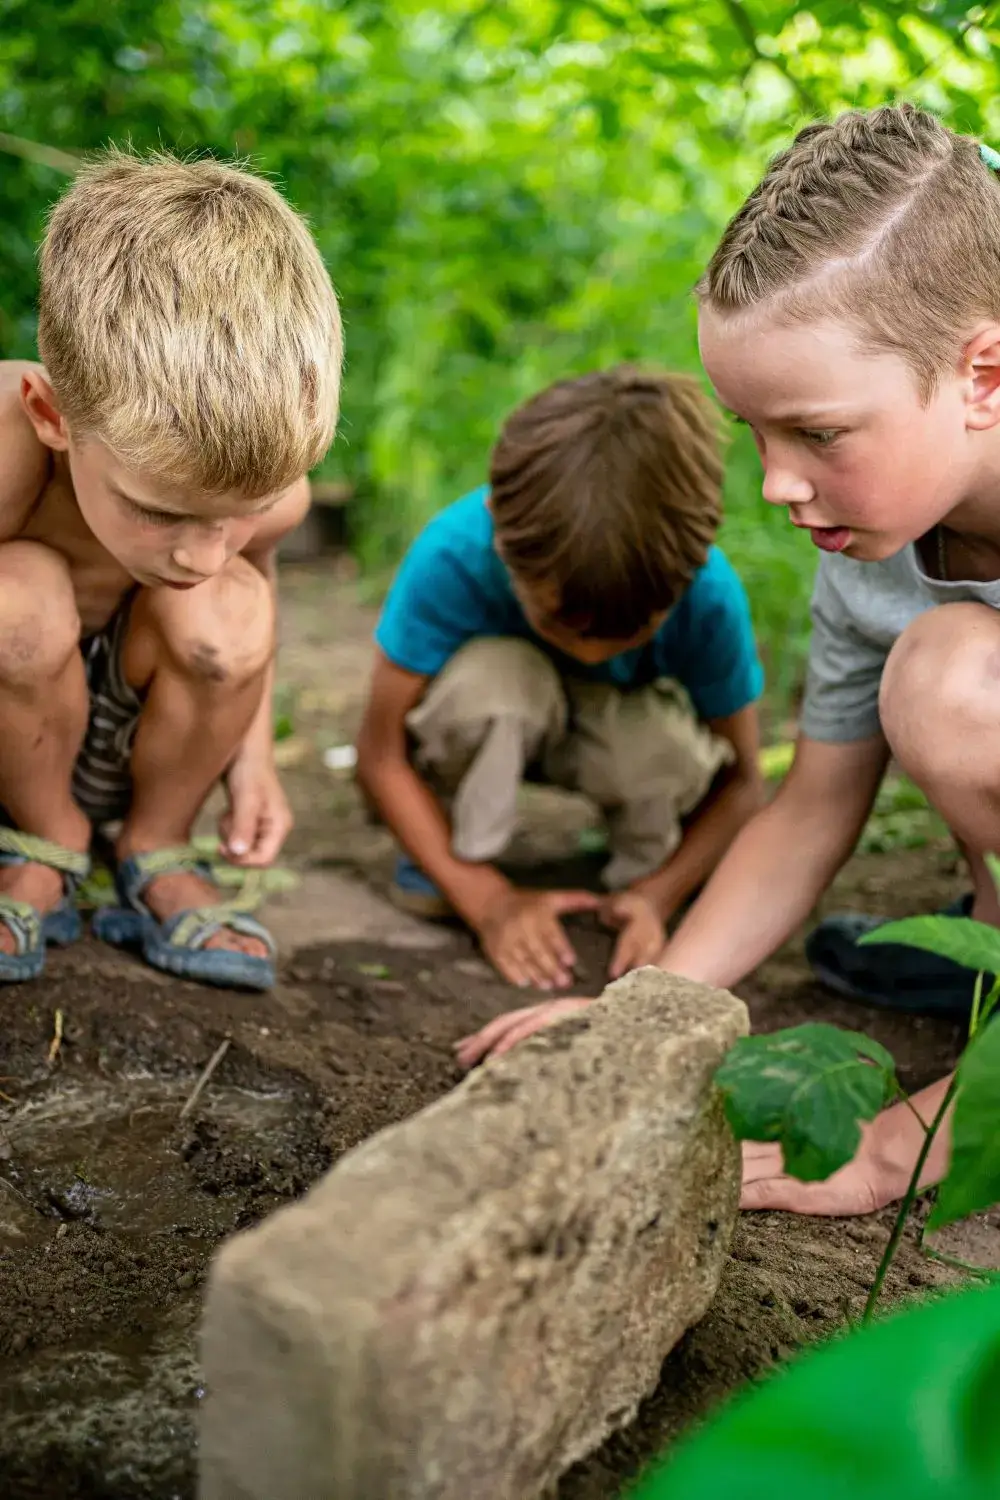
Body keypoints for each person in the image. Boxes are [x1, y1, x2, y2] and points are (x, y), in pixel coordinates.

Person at [457, 103, 1000, 1217]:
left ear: (982, 375)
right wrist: (645, 1007)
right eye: (754, 432)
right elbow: (810, 810)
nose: (774, 485)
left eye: (819, 434)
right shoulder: (870, 556)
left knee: (951, 684)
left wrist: (902, 1146)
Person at [0, 147, 342, 990]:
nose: (201, 552)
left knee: (229, 608)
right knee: (20, 600)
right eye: (159, 512)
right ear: (51, 415)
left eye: (242, 510)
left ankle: (155, 842)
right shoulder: (6, 456)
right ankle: (47, 845)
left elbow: (253, 613)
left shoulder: (274, 499)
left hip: (138, 740)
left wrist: (253, 761)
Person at [355, 368, 765, 990]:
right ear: (504, 541)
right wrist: (487, 902)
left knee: (657, 743)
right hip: (499, 710)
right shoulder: (454, 554)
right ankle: (451, 855)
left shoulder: (707, 595)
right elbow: (380, 755)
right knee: (495, 686)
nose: (593, 652)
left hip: (616, 727)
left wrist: (661, 893)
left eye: (629, 632)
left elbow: (743, 780)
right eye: (560, 622)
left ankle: (640, 868)